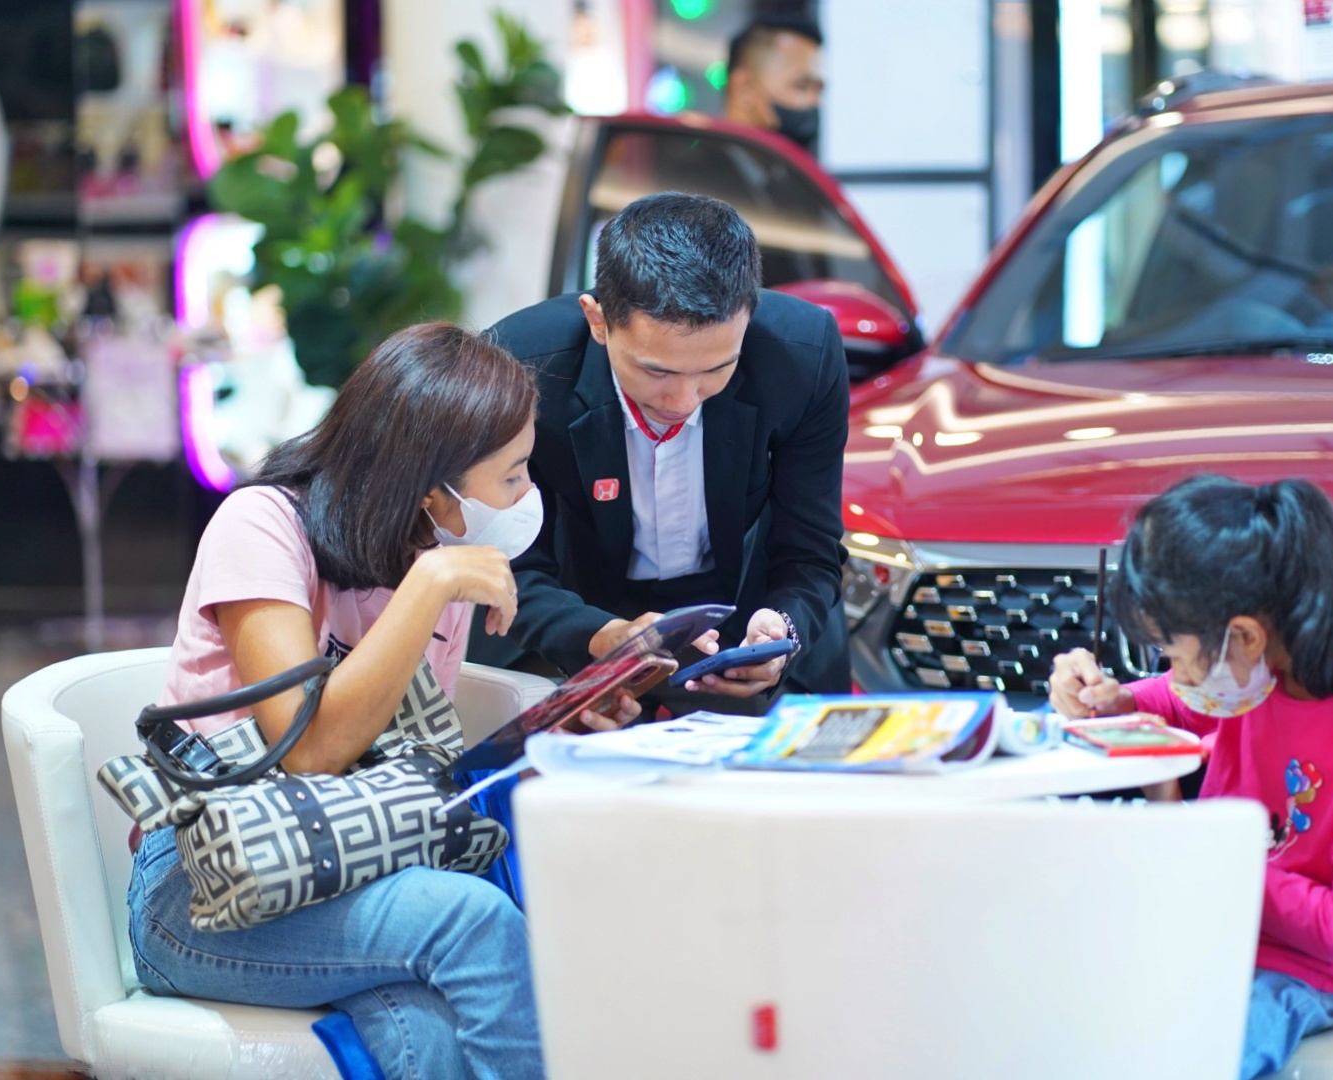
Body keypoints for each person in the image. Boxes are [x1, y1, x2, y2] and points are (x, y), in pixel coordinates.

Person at [126, 323, 586, 1080]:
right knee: (472, 919)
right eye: (512, 476)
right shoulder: (264, 524)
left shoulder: (428, 553)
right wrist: (431, 586)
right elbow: (309, 750)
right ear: (434, 489)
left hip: (347, 873)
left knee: (431, 1037)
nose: (526, 498)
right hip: (202, 894)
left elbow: (398, 764)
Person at [1048, 475, 1333, 1080]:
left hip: (1299, 974)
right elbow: (1185, 697)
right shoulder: (1270, 664)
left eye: (1176, 652)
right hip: (1200, 929)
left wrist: (1208, 851)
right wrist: (1118, 701)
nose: (1174, 670)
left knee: (1190, 1057)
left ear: (1243, 634)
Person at [469, 191, 850, 712]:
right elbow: (507, 563)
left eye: (716, 369)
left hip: (743, 630)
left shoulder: (803, 356)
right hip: (577, 620)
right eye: (657, 371)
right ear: (598, 321)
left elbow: (811, 548)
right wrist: (602, 636)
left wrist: (782, 628)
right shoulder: (523, 365)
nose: (683, 401)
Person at [723, 15, 825, 153]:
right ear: (744, 88)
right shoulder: (697, 169)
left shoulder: (783, 171)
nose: (815, 101)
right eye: (802, 86)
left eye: (819, 90)